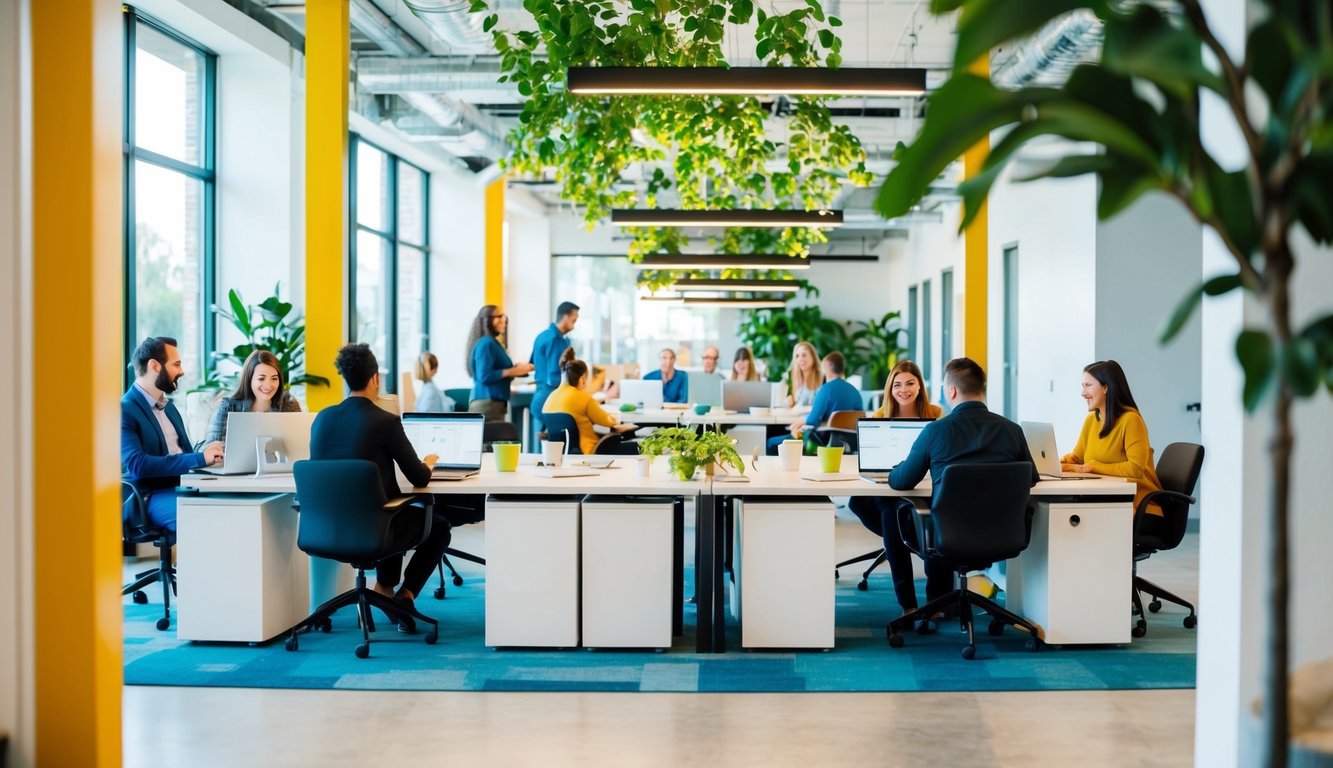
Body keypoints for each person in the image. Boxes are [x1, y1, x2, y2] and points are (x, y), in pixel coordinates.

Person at [309, 343, 450, 623]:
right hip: (374, 529)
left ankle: (384, 589)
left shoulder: (322, 419)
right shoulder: (385, 421)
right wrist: (429, 462)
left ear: (346, 378)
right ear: (375, 378)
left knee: (388, 506)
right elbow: (419, 477)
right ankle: (404, 595)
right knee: (437, 527)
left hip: (326, 528)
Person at [886, 357, 1041, 612]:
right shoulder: (1012, 430)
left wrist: (893, 469)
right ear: (983, 388)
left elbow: (902, 481)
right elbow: (1031, 477)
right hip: (1003, 533)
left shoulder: (936, 431)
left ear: (951, 391)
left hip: (948, 535)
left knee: (906, 512)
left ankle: (935, 606)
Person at [846, 360, 945, 614]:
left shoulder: (936, 414)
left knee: (896, 523)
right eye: (897, 384)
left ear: (920, 386)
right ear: (890, 388)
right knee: (883, 513)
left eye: (910, 383)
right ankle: (908, 604)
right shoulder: (880, 415)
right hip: (889, 484)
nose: (904, 390)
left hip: (924, 484)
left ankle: (935, 602)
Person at [121, 336, 224, 531]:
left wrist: (207, 454)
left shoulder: (169, 408)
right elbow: (138, 465)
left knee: (233, 506)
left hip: (183, 486)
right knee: (210, 518)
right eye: (176, 364)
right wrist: (199, 458)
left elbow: (183, 454)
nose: (181, 371)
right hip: (150, 495)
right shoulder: (124, 409)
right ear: (155, 366)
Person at [1062, 359, 1165, 526]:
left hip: (1138, 507)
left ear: (1106, 388)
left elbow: (1135, 469)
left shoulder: (1131, 420)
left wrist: (1093, 466)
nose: (1083, 393)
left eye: (1088, 385)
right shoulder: (1091, 420)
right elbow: (1077, 458)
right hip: (1108, 500)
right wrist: (1054, 464)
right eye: (1083, 386)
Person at [543, 348, 638, 455]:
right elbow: (608, 421)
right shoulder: (583, 398)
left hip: (563, 454)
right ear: (582, 379)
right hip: (590, 451)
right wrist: (615, 418)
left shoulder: (550, 399)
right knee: (638, 446)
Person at [766, 351, 863, 454]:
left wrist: (803, 420)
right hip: (849, 444)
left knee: (771, 442)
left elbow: (813, 420)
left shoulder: (826, 389)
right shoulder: (855, 392)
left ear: (827, 367)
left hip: (822, 443)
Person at [204, 349, 303, 444]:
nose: (268, 385)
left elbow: (301, 442)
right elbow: (209, 447)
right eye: (261, 379)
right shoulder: (228, 406)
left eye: (274, 379)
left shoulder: (288, 404)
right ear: (249, 379)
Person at [466, 304, 533, 421]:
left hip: (493, 403)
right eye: (499, 316)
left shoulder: (492, 343)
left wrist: (515, 369)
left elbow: (495, 370)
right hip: (488, 403)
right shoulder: (486, 343)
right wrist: (512, 371)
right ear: (487, 320)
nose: (504, 320)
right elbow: (484, 375)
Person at [529, 301, 579, 434]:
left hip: (542, 398)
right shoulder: (554, 339)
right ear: (565, 317)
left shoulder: (544, 336)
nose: (575, 324)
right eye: (574, 320)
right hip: (548, 400)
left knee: (544, 444)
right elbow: (554, 377)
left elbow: (532, 363)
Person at [785, 340, 821, 408]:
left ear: (813, 357)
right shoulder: (794, 378)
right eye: (797, 356)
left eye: (804, 355)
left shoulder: (823, 378)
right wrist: (789, 403)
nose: (800, 359)